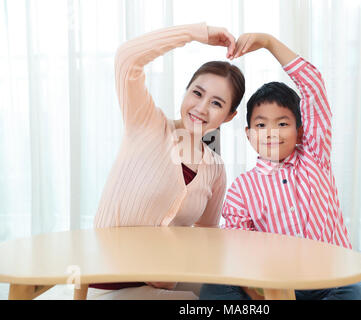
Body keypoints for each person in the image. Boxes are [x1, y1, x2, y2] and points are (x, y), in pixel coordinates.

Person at [199, 33, 361, 300]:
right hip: (274, 285)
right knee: (214, 289)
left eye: (282, 123)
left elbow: (313, 87)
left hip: (330, 280)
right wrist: (261, 291)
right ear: (249, 134)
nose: (271, 132)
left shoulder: (314, 157)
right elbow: (239, 250)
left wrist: (269, 43)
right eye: (261, 125)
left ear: (300, 130)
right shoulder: (242, 189)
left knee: (359, 296)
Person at [89, 23, 245, 300]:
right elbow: (127, 57)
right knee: (190, 302)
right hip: (108, 281)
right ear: (185, 92)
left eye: (216, 103)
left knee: (238, 297)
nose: (200, 107)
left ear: (229, 117)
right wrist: (198, 34)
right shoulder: (146, 125)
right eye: (197, 93)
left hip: (163, 284)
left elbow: (207, 236)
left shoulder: (215, 170)